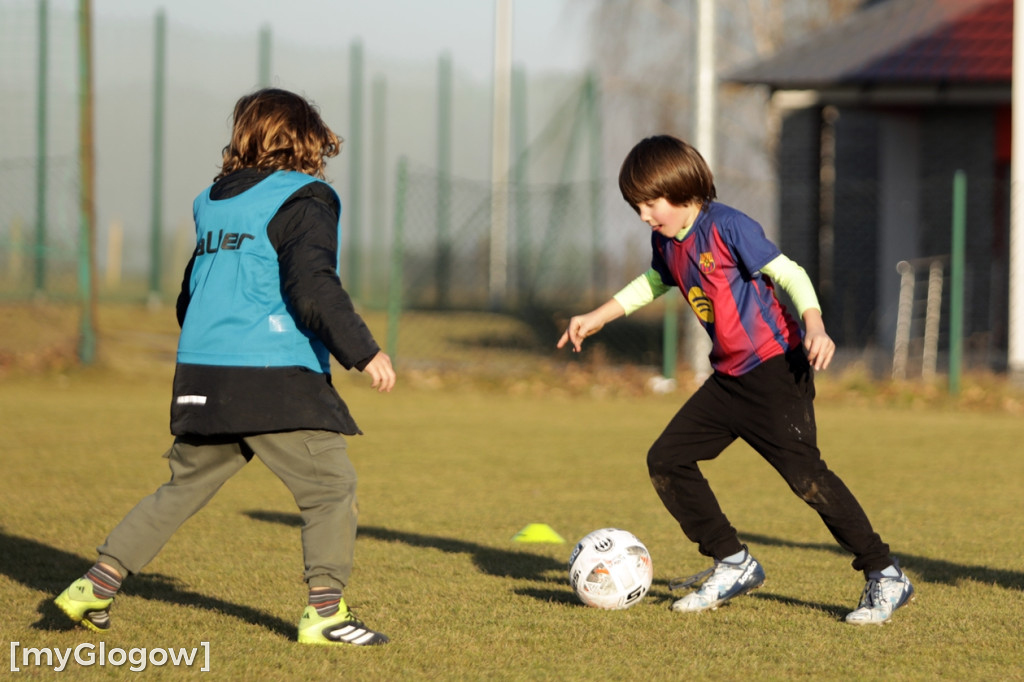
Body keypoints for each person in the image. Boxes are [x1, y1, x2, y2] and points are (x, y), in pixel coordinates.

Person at [54, 88, 394, 646]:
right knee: (331, 486)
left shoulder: (212, 200)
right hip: (272, 371)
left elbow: (191, 294)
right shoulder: (307, 197)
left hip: (202, 371)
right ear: (307, 139)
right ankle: (327, 616)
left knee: (180, 489)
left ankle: (95, 585)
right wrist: (363, 350)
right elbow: (311, 284)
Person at [557, 135, 913, 625]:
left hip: (774, 372)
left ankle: (885, 573)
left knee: (808, 479)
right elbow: (656, 280)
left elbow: (790, 274)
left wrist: (814, 323)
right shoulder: (666, 238)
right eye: (635, 206)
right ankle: (733, 561)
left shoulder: (728, 226)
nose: (643, 215)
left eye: (649, 203)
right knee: (668, 459)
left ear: (680, 189)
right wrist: (600, 315)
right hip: (728, 379)